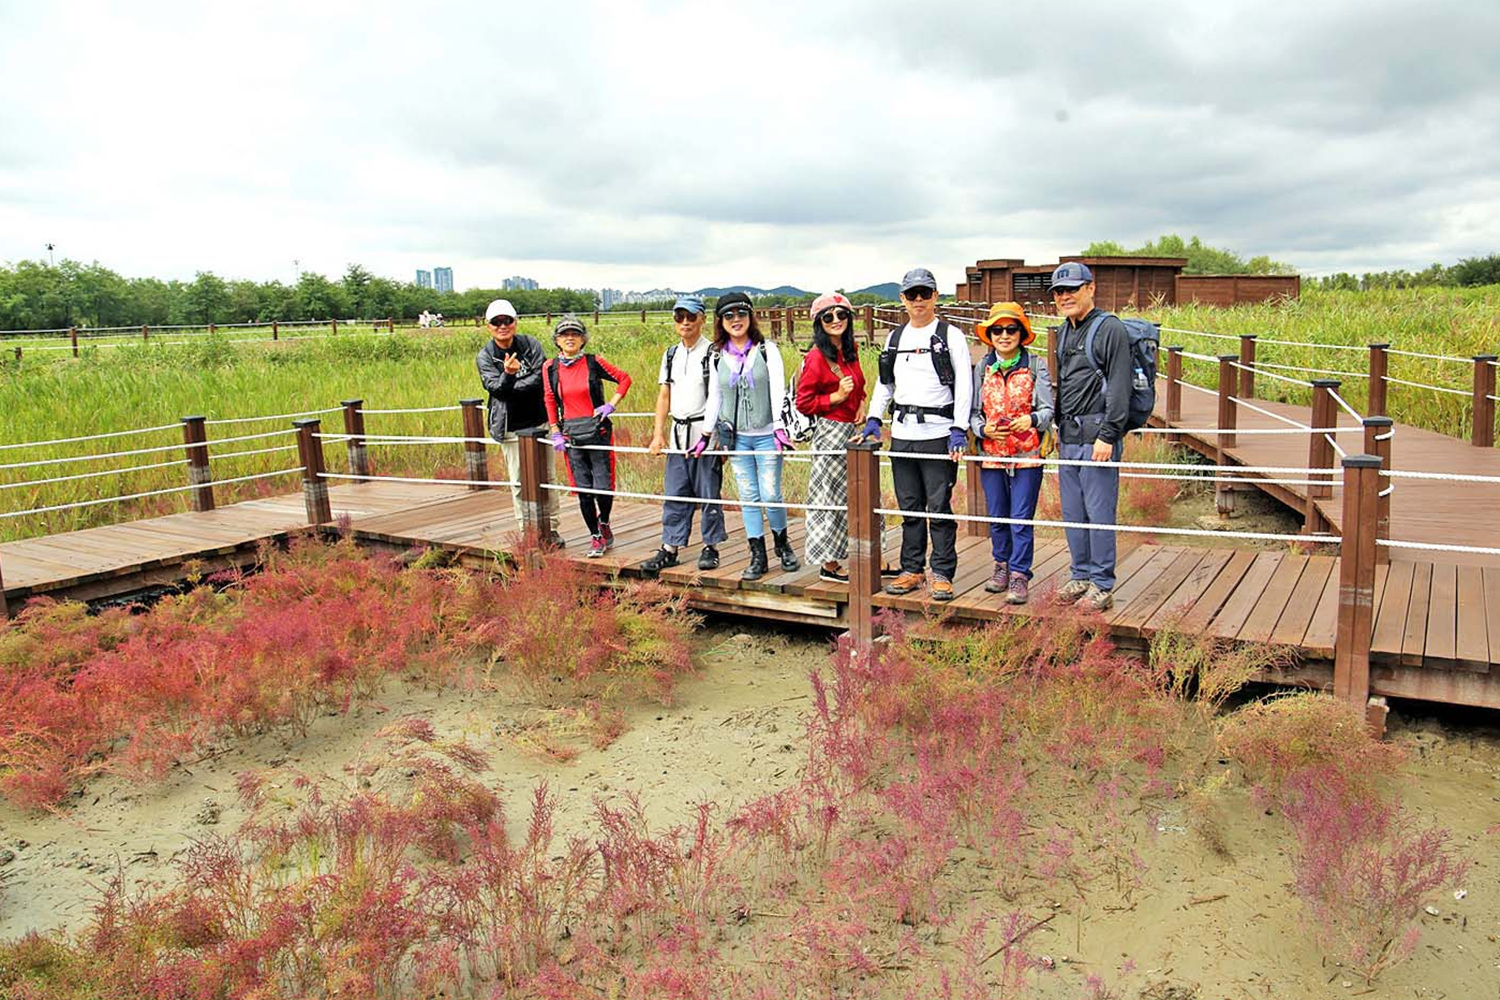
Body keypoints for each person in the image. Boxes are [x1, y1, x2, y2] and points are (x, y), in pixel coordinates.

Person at [859, 268, 972, 602]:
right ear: (903, 299)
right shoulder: (895, 339)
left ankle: (942, 573)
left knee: (938, 506)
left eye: (925, 293)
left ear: (936, 296)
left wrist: (959, 428)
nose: (918, 300)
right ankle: (912, 569)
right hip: (903, 433)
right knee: (909, 506)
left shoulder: (951, 336)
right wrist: (874, 417)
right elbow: (885, 383)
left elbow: (964, 385)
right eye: (912, 294)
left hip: (938, 433)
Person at [692, 291, 799, 581]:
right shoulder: (717, 355)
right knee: (749, 496)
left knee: (771, 493)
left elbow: (777, 389)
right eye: (728, 315)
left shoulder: (766, 350)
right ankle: (757, 555)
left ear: (751, 316)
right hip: (736, 437)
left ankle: (782, 544)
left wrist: (779, 427)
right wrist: (705, 434)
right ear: (720, 321)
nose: (735, 320)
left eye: (741, 313)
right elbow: (715, 396)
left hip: (766, 435)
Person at [1049, 262, 1132, 611]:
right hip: (1069, 435)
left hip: (1098, 436)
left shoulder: (1110, 328)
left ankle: (1101, 584)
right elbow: (1065, 385)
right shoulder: (1064, 331)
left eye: (1072, 289)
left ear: (1090, 288)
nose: (1064, 296)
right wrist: (1056, 427)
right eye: (1059, 291)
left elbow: (1120, 386)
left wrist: (1109, 435)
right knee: (1073, 512)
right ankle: (1080, 575)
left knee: (1098, 513)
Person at [969, 302, 1053, 605]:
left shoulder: (1036, 365)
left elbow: (1048, 409)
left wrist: (1031, 420)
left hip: (1027, 455)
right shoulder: (982, 367)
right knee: (997, 517)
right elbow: (973, 414)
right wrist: (983, 430)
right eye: (997, 330)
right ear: (990, 334)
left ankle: (1019, 574)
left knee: (1020, 518)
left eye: (1011, 329)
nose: (1004, 335)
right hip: (992, 455)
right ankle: (1001, 566)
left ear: (1021, 333)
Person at [642, 294, 727, 573]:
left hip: (705, 434)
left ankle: (710, 546)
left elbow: (720, 397)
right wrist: (658, 433)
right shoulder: (670, 354)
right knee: (676, 491)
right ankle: (670, 547)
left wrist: (719, 439)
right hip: (678, 434)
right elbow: (664, 395)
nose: (685, 322)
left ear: (703, 319)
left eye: (691, 317)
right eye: (680, 317)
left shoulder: (714, 353)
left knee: (708, 492)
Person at [542, 315, 632, 558]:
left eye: (575, 334)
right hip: (571, 436)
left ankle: (604, 521)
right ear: (557, 340)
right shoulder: (550, 368)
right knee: (583, 490)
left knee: (603, 487)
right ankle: (595, 536)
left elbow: (624, 379)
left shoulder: (594, 362)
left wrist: (611, 405)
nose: (570, 338)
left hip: (598, 432)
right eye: (564, 334)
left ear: (583, 339)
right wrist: (555, 431)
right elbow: (549, 399)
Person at [475, 298, 562, 546]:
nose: (502, 326)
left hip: (540, 423)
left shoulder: (530, 345)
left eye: (507, 320)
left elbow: (542, 377)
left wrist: (511, 383)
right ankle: (527, 532)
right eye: (496, 322)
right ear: (488, 326)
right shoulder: (485, 356)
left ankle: (551, 529)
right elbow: (496, 390)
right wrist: (508, 375)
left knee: (548, 478)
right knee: (518, 482)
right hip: (510, 427)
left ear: (516, 322)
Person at [795, 291, 866, 582]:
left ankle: (867, 557)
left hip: (853, 431)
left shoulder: (850, 350)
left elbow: (859, 384)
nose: (836, 320)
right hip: (831, 432)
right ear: (819, 323)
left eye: (841, 314)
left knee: (861, 493)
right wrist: (835, 397)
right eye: (828, 317)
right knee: (831, 496)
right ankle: (829, 563)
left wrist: (861, 402)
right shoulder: (816, 357)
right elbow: (803, 402)